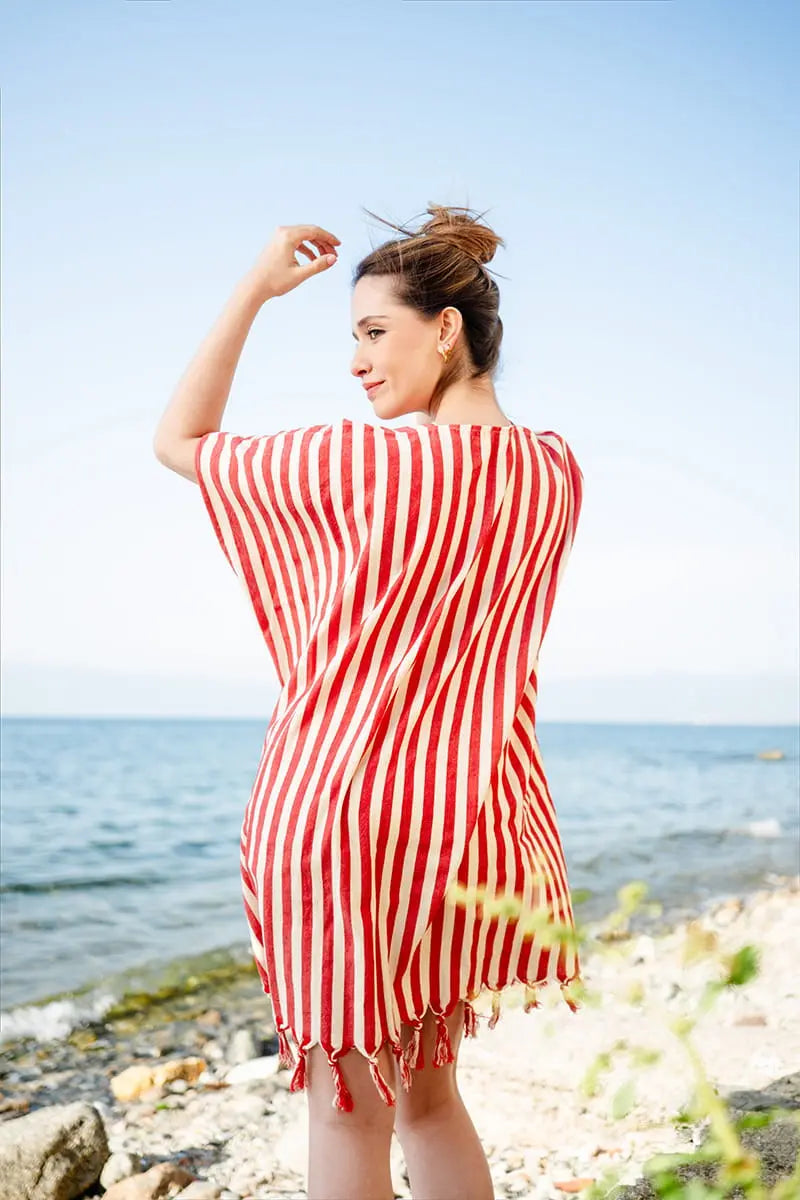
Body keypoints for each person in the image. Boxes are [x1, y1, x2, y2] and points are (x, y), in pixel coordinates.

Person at [154, 204, 585, 1200]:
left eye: (371, 330)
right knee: (429, 1099)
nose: (355, 360)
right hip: (461, 827)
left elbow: (180, 439)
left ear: (445, 328)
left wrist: (255, 289)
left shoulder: (366, 461)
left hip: (334, 817)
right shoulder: (554, 470)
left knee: (343, 1109)